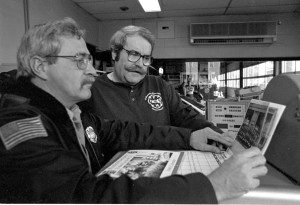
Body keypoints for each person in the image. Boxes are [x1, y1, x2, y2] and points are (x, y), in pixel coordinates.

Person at [0, 17, 267, 203]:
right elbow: (84, 197)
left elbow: (125, 131)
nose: (92, 70)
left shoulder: (73, 112)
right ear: (39, 66)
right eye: (79, 60)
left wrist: (190, 137)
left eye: (89, 60)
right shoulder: (22, 128)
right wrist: (212, 186)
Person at [82, 25, 219, 132]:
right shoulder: (92, 90)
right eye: (134, 54)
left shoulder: (159, 85)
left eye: (146, 58)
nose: (140, 64)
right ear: (114, 53)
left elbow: (188, 117)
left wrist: (217, 134)